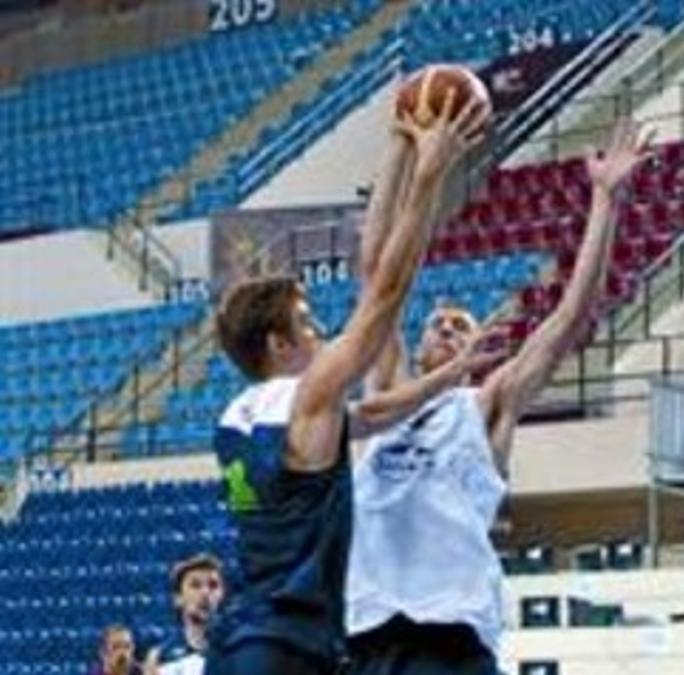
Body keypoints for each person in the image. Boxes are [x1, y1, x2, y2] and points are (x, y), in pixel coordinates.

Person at [343, 121, 652, 675]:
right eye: (437, 324)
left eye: (460, 327)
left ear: (477, 346)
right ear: (418, 342)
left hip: (452, 629)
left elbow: (569, 318)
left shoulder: (485, 402)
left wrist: (605, 201)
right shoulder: (388, 394)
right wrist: (398, 146)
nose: (445, 330)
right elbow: (375, 277)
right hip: (370, 629)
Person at [206, 95, 488, 675]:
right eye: (308, 324)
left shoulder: (237, 415)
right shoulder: (305, 396)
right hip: (285, 644)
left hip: (243, 637)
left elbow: (378, 411)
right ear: (278, 347)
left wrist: (396, 141)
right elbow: (382, 293)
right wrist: (428, 175)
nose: (322, 334)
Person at [145, 554, 225, 675]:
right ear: (178, 598)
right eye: (195, 585)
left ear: (222, 595)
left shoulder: (237, 651)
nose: (205, 592)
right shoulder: (160, 657)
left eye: (213, 585)